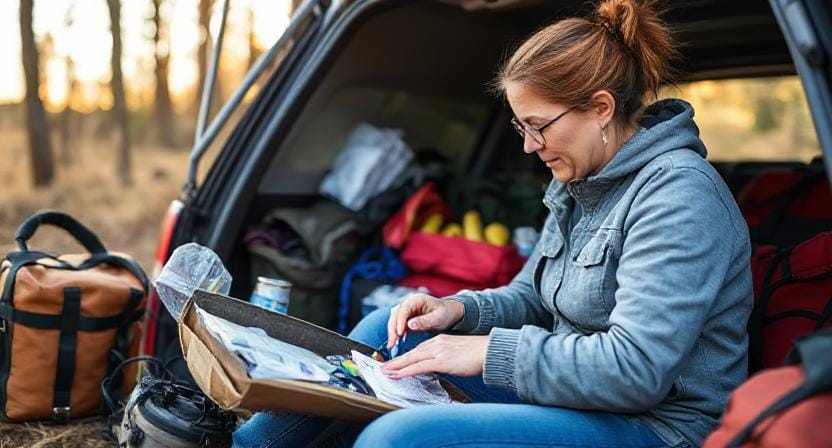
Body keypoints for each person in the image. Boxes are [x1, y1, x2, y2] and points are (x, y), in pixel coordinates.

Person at [233, 0, 753, 446]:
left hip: (656, 425)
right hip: (580, 396)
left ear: (600, 108)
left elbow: (634, 370)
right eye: (519, 127)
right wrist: (457, 310)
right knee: (386, 332)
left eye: (538, 126)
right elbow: (533, 297)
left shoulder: (678, 196)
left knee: (395, 439)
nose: (528, 146)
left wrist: (487, 351)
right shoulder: (580, 181)